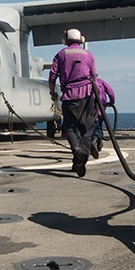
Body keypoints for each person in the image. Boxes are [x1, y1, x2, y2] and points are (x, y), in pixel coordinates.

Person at [48, 29, 98, 176]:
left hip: (70, 95)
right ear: (81, 39)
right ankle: (81, 160)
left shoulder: (61, 55)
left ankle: (76, 149)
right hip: (87, 95)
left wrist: (53, 93)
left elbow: (52, 78)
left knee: (70, 128)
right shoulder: (89, 55)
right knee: (86, 129)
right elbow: (94, 76)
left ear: (66, 40)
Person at [89, 76, 116, 158]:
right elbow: (110, 92)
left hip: (90, 109)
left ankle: (96, 141)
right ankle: (96, 140)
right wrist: (112, 102)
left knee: (94, 126)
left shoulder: (86, 84)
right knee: (98, 126)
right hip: (100, 109)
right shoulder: (100, 82)